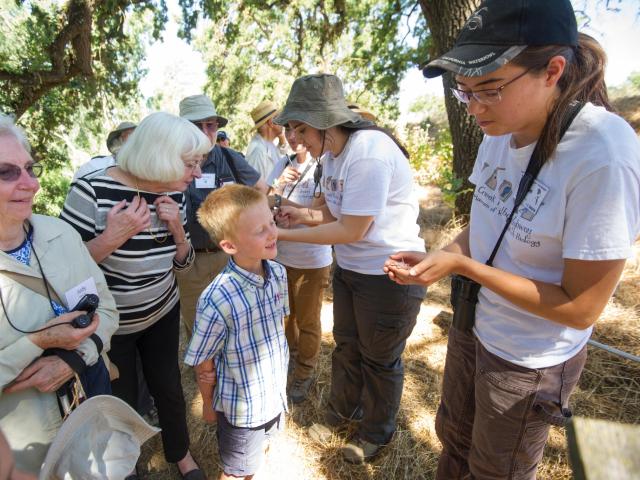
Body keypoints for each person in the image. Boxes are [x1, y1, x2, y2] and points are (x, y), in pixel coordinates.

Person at [384, 1, 640, 478]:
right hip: (475, 324)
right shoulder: (498, 127)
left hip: (530, 359)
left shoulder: (603, 155)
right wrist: (442, 257)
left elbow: (580, 307)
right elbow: (487, 220)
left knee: (496, 469)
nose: (475, 108)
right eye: (464, 92)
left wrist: (465, 268)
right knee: (454, 440)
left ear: (553, 71)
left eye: (489, 89)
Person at [274, 73, 426, 463]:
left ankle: (375, 432)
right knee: (346, 347)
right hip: (352, 270)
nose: (298, 139)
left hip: (388, 275)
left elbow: (352, 228)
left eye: (301, 129)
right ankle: (343, 414)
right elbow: (328, 209)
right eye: (293, 130)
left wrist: (279, 237)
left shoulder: (368, 151)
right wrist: (298, 215)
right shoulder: (332, 156)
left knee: (379, 358)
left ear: (324, 123)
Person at [61, 112, 210, 479]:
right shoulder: (91, 190)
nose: (195, 174)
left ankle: (180, 454)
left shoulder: (174, 192)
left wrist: (178, 228)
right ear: (160, 155)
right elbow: (62, 274)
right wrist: (112, 238)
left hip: (162, 312)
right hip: (114, 326)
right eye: (190, 164)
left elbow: (184, 265)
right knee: (120, 401)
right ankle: (125, 466)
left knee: (170, 388)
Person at [0, 114, 118, 475]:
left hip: (90, 414)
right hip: (26, 451)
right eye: (7, 172)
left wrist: (73, 359)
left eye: (30, 169)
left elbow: (109, 310)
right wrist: (38, 341)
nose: (31, 184)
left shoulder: (60, 233)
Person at [185, 184, 288, 480]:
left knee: (258, 458)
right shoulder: (217, 299)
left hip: (273, 396)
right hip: (243, 410)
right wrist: (207, 402)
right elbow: (203, 361)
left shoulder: (278, 273)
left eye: (272, 222)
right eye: (260, 230)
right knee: (235, 471)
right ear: (230, 246)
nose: (272, 233)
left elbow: (277, 331)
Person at [178, 94, 268, 340]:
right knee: (198, 329)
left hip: (230, 259)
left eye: (211, 125)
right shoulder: (171, 162)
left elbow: (261, 189)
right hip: (191, 262)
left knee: (236, 324)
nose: (206, 132)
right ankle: (204, 375)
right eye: (197, 126)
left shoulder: (229, 158)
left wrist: (250, 233)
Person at [267, 126, 332, 403]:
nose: (292, 136)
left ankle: (304, 372)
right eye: (287, 130)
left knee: (307, 320)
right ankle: (292, 359)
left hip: (311, 260)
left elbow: (318, 215)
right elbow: (264, 199)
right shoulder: (282, 163)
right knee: (285, 317)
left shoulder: (324, 164)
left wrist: (281, 199)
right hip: (282, 257)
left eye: (298, 130)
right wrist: (278, 186)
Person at [245, 100, 286, 178]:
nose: (283, 121)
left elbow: (282, 156)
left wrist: (282, 139)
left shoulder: (268, 144)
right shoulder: (258, 152)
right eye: (280, 117)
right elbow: (254, 188)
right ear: (271, 122)